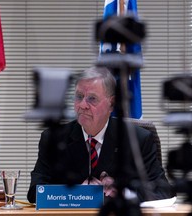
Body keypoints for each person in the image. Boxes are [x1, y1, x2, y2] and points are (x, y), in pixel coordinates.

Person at [27, 66, 175, 203]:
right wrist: (78, 193)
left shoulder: (138, 139)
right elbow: (35, 192)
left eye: (92, 98)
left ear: (111, 104)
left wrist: (122, 192)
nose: (82, 105)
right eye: (79, 96)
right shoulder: (53, 138)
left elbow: (163, 192)